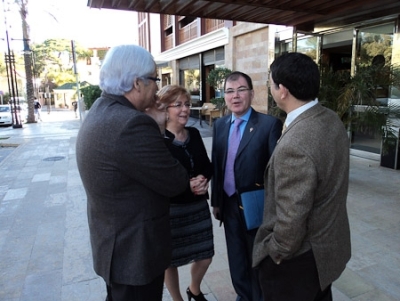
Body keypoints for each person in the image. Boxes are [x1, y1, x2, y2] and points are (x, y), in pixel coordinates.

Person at [75, 45, 189, 301]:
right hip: (135, 255)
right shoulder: (132, 124)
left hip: (115, 247)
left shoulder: (100, 109)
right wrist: (159, 130)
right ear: (137, 83)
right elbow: (176, 181)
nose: (157, 88)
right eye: (154, 79)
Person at [253, 52, 351, 301]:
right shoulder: (330, 118)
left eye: (271, 81)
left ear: (282, 90)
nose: (270, 87)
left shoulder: (295, 145)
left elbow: (291, 220)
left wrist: (274, 253)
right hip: (327, 253)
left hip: (298, 264)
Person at [211, 71, 282, 301]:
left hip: (255, 205)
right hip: (229, 203)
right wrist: (216, 201)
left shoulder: (268, 125)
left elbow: (276, 172)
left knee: (258, 257)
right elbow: (217, 165)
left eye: (241, 89)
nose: (235, 96)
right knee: (236, 257)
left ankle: (259, 297)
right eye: (230, 91)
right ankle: (243, 295)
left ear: (251, 93)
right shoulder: (220, 125)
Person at [147, 85, 214, 301]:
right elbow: (159, 179)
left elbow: (207, 165)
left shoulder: (193, 134)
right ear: (166, 109)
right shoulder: (158, 140)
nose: (185, 109)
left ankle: (194, 289)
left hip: (197, 207)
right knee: (171, 262)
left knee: (205, 257)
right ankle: (178, 299)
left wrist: (204, 179)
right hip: (171, 210)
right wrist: (188, 185)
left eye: (187, 104)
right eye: (178, 105)